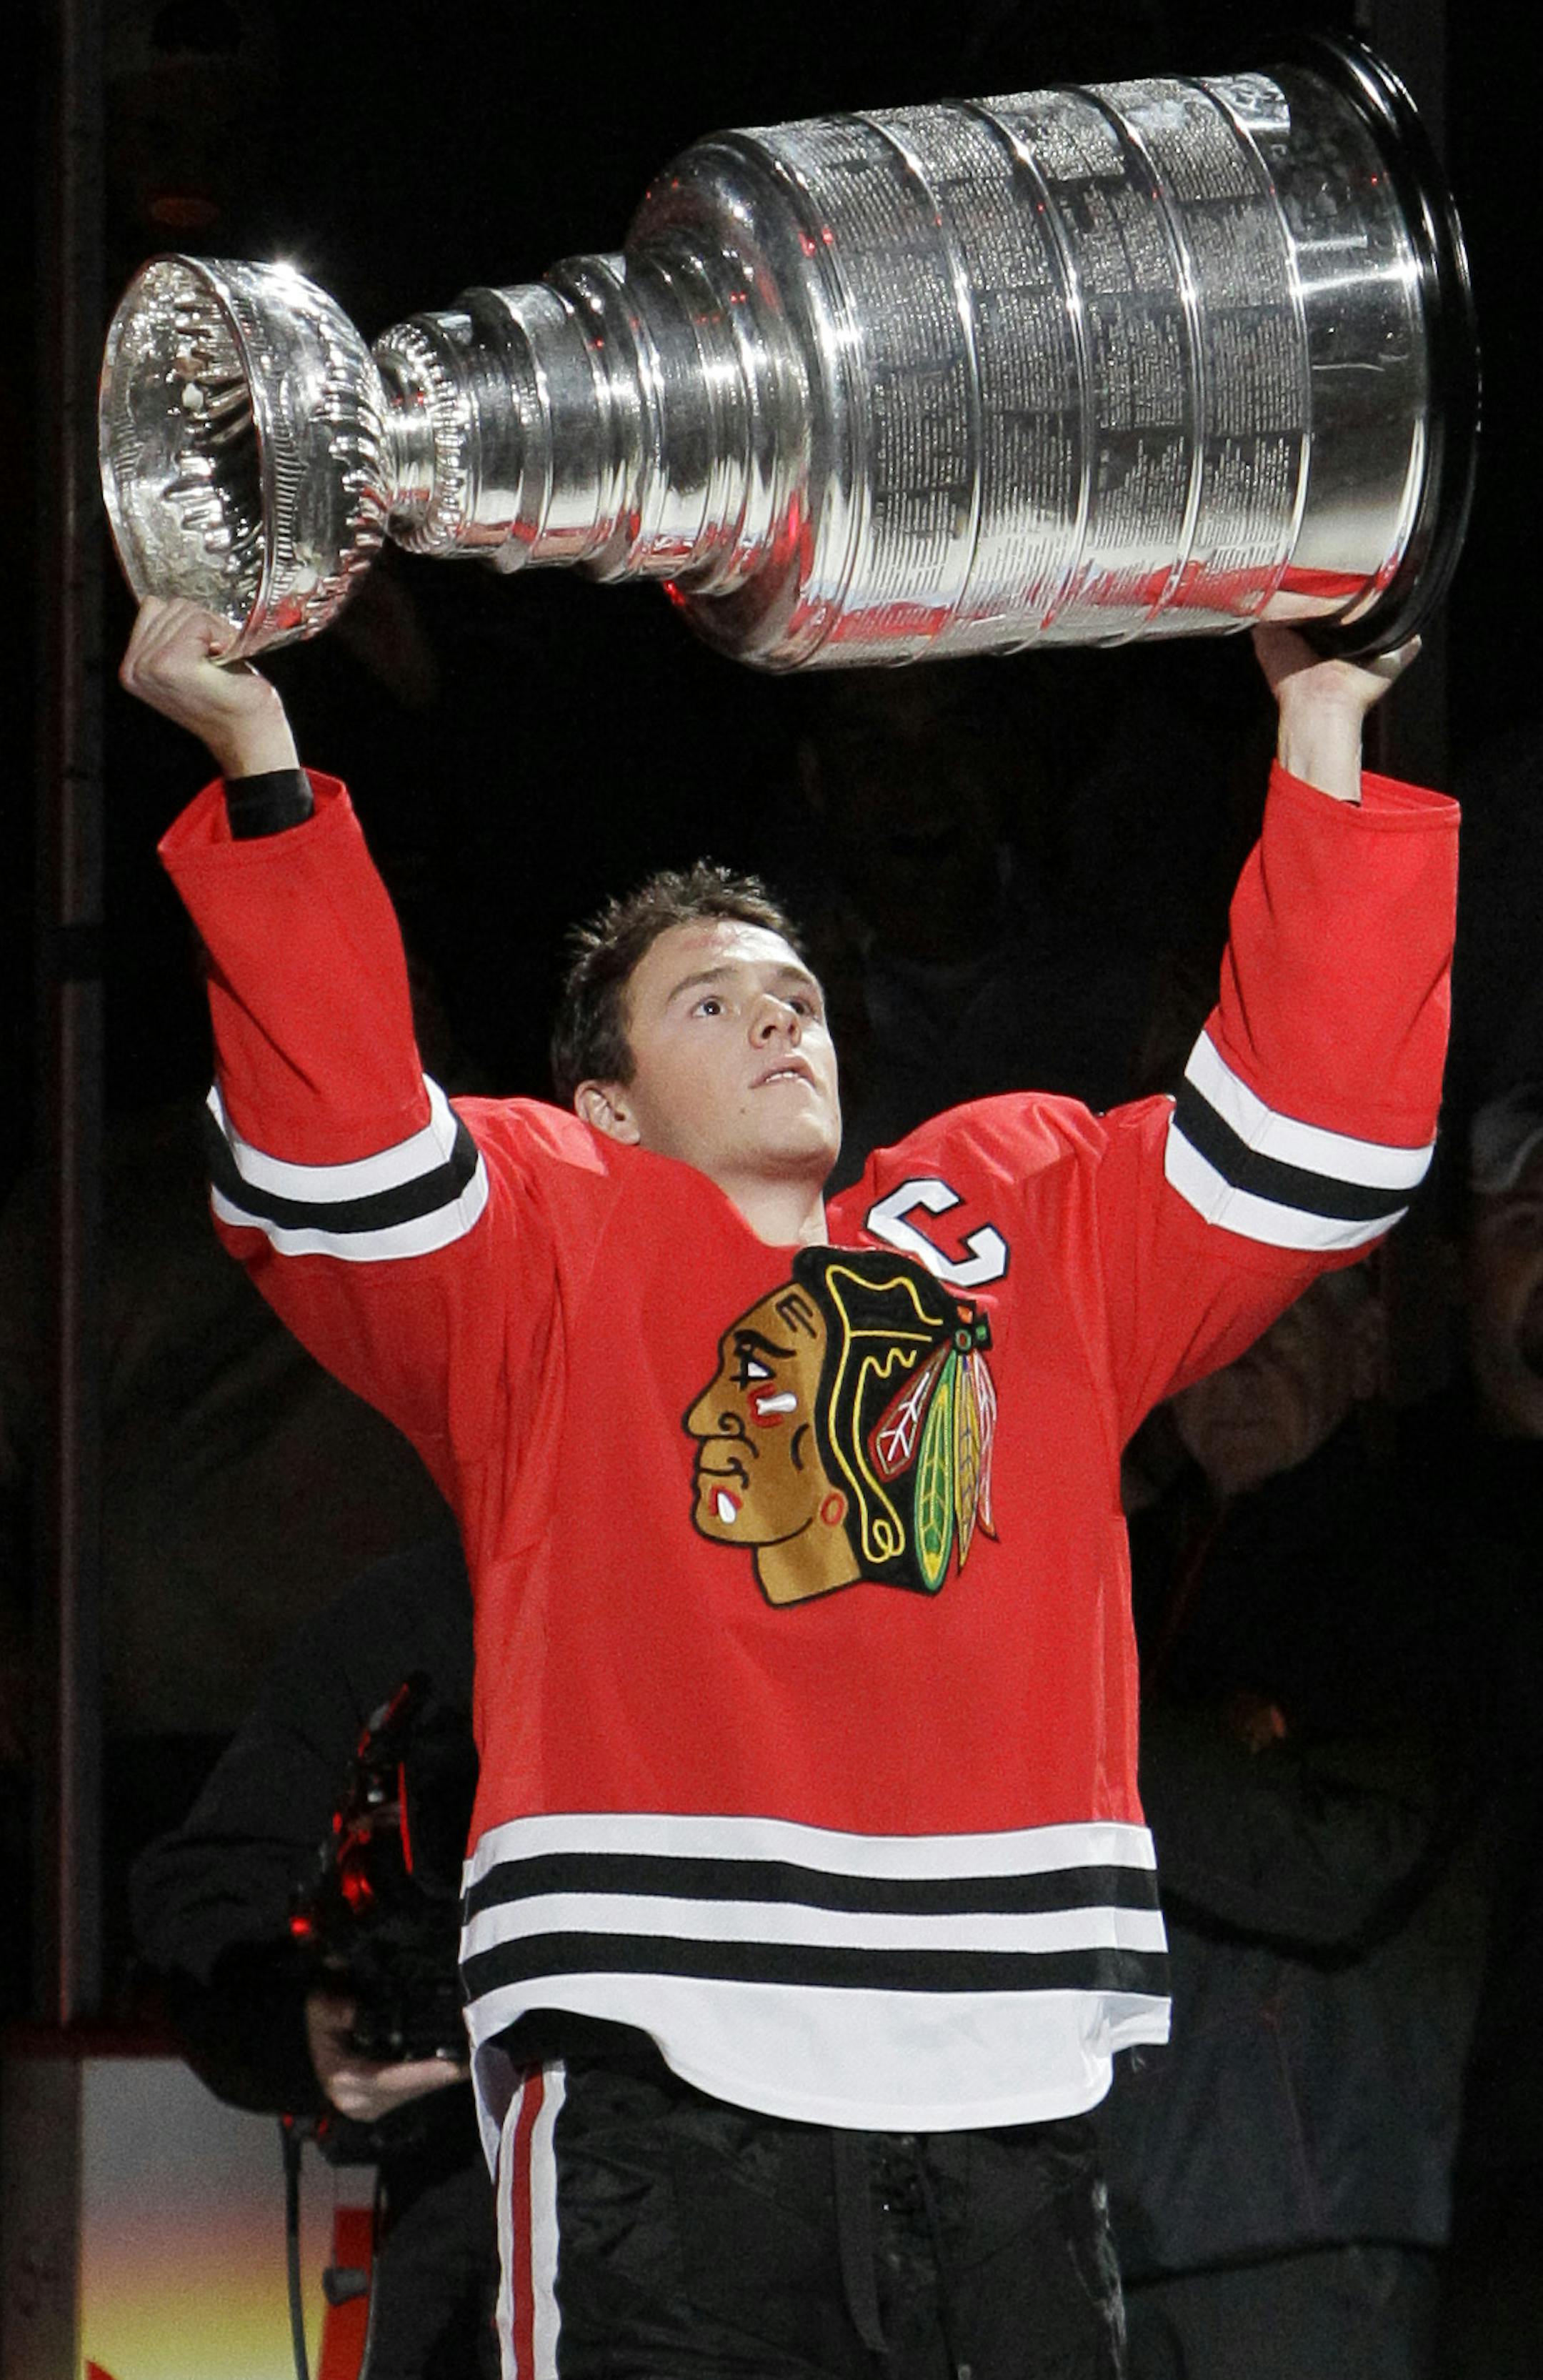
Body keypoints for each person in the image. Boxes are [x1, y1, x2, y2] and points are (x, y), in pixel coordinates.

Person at [120, 590, 1456, 2380]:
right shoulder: (540, 1250)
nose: (778, 1018)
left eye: (797, 993)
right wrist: (260, 755)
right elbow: (335, 1153)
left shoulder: (1013, 1208)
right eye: (710, 999)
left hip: (1013, 2105)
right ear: (603, 1104)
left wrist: (1326, 737)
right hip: (669, 2105)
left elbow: (1314, 1147)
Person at [1104, 1270, 1489, 2380]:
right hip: (1125, 2223)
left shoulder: (1416, 1549)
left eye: (1281, 1321)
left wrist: (1094, 1742)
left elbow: (1354, 1853)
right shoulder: (1135, 1555)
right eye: (1210, 1326)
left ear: (1365, 1345)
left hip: (1307, 2228)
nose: (1238, 1358)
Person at [131, 1530, 498, 2380]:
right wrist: (312, 2028)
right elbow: (208, 1909)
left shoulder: (806, 1615)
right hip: (475, 2271)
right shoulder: (439, 1608)